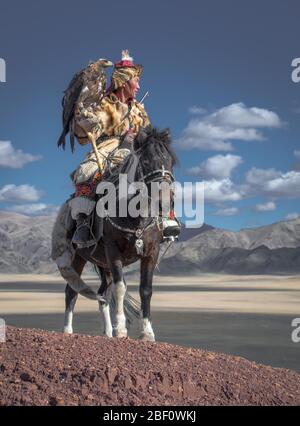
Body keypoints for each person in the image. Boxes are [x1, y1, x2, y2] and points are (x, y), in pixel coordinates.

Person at [68, 50, 180, 247]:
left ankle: (167, 217)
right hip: (108, 147)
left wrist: (140, 138)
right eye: (135, 81)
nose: (138, 86)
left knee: (160, 169)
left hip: (136, 149)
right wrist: (86, 118)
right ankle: (83, 224)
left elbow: (147, 132)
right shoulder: (104, 104)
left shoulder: (139, 109)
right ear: (124, 81)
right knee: (87, 172)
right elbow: (87, 131)